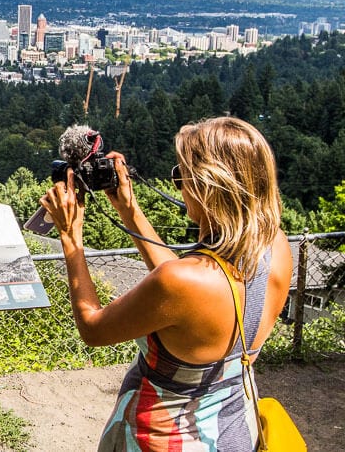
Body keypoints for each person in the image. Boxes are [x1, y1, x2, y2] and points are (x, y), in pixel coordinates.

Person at [39, 116, 292, 451]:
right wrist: (130, 211)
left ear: (207, 186)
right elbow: (187, 290)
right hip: (232, 430)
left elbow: (93, 329)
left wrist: (71, 238)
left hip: (164, 439)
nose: (179, 185)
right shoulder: (276, 247)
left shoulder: (185, 283)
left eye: (180, 176)